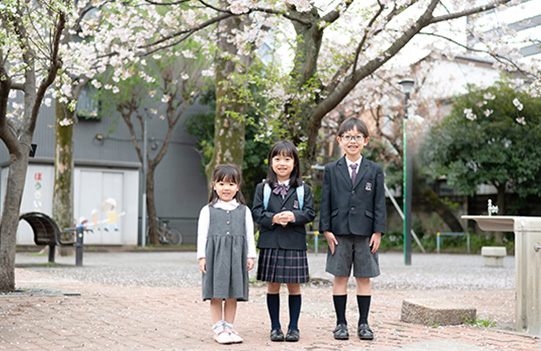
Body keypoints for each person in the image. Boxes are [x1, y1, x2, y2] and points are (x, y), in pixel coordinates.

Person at [319, 117, 386, 341]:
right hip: (338, 231)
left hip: (366, 232)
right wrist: (326, 229)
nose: (352, 141)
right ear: (340, 140)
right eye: (347, 137)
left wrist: (378, 231)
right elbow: (325, 200)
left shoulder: (375, 170)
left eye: (357, 137)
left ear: (365, 140)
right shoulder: (331, 169)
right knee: (339, 277)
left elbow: (379, 203)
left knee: (364, 278)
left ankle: (364, 323)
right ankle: (340, 324)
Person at [252, 140, 316, 343]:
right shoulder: (262, 188)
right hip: (270, 242)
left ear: (295, 163)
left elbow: (310, 213)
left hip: (294, 243)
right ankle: (275, 327)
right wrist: (272, 218)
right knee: (272, 286)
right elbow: (255, 212)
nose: (282, 163)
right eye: (277, 158)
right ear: (271, 162)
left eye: (287, 159)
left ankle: (294, 328)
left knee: (294, 287)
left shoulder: (303, 189)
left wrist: (293, 216)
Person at [197, 164, 257, 345]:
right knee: (216, 293)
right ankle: (218, 329)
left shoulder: (244, 210)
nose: (226, 188)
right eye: (222, 183)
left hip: (237, 256)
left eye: (231, 184)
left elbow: (249, 235)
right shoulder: (207, 210)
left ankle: (229, 328)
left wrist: (250, 256)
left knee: (232, 293)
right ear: (214, 185)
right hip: (215, 256)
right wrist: (202, 257)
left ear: (237, 187)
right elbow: (202, 234)